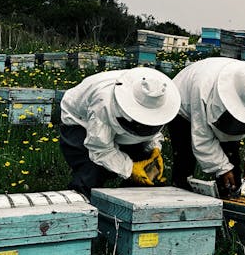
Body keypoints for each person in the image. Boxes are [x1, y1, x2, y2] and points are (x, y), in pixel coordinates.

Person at [59, 66, 181, 199]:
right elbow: (99, 149)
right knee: (91, 169)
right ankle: (82, 210)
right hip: (80, 121)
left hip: (111, 120)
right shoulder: (104, 101)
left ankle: (129, 206)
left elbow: (154, 122)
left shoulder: (158, 101)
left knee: (144, 163)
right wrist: (130, 169)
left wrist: (154, 148)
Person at [168, 57, 245, 197]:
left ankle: (228, 197)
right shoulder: (202, 88)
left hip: (211, 96)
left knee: (231, 159)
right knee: (184, 159)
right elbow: (201, 136)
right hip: (182, 105)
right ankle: (179, 195)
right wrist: (221, 168)